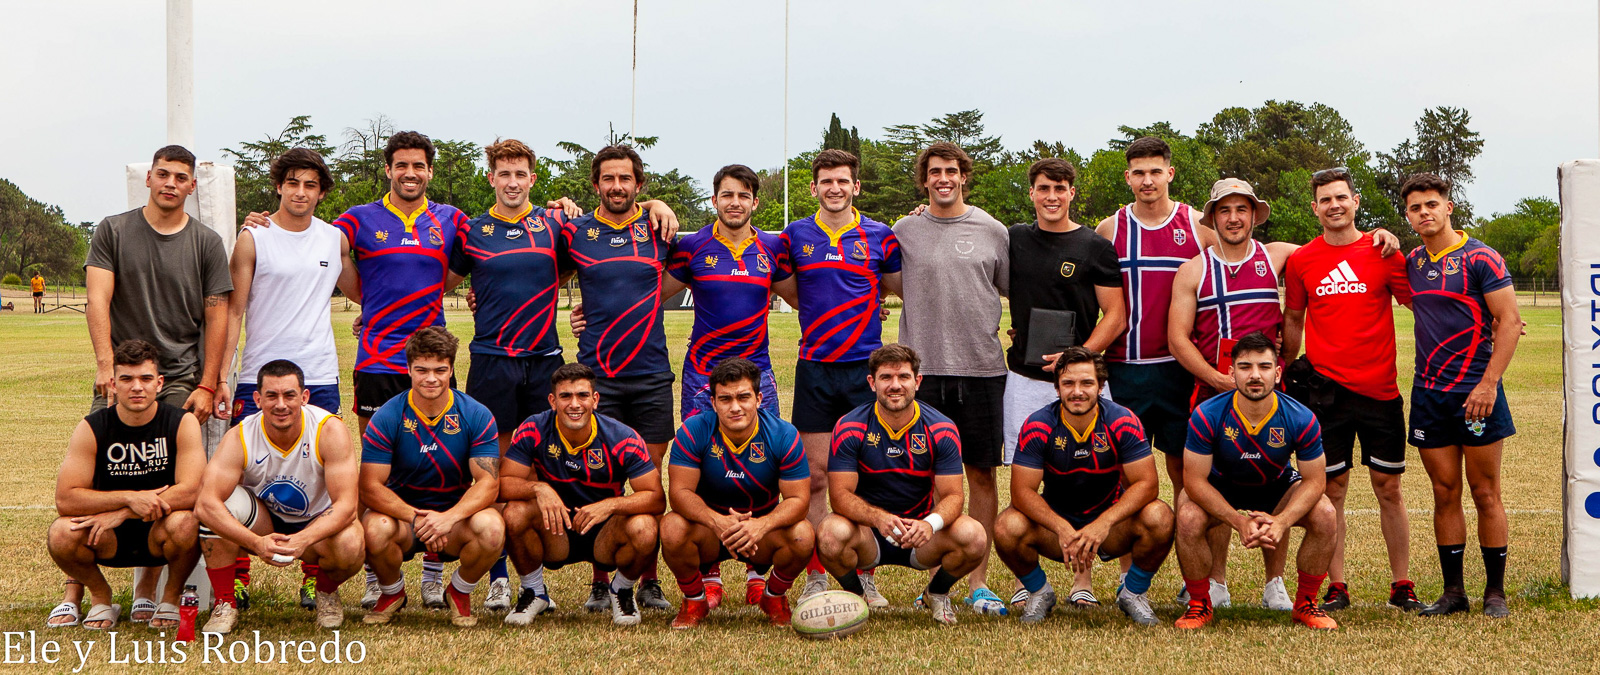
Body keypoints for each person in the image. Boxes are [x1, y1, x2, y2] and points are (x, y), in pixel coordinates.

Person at [65, 144, 230, 627]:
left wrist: (207, 382)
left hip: (177, 375)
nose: (171, 183)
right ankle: (77, 594)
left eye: (181, 177)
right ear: (149, 179)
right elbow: (98, 299)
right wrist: (105, 365)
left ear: (192, 187)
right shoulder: (113, 229)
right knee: (97, 477)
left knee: (163, 472)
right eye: (163, 174)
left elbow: (217, 314)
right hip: (123, 370)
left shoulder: (205, 242)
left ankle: (148, 588)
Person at [216, 148, 357, 611]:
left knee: (318, 479)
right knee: (243, 481)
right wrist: (222, 375)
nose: (301, 192)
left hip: (317, 374)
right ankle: (236, 582)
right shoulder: (254, 237)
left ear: (321, 192)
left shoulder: (334, 239)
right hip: (259, 374)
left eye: (311, 185)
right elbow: (234, 309)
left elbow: (365, 291)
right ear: (278, 185)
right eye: (292, 182)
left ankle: (315, 580)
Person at [1281, 167, 1420, 612]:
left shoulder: (1383, 252)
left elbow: (1422, 303)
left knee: (1389, 488)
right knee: (1331, 490)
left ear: (1355, 201)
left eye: (1341, 197)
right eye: (1325, 199)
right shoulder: (1303, 260)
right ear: (1315, 207)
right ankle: (1336, 585)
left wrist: (1485, 324)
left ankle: (1402, 584)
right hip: (1327, 395)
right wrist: (1284, 367)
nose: (1334, 205)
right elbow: (1294, 320)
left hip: (1380, 390)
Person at [777, 149, 903, 605]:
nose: (834, 188)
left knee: (860, 478)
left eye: (842, 181)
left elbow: (898, 286)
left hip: (864, 370)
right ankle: (815, 574)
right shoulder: (794, 236)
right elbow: (791, 293)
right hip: (815, 368)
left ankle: (863, 572)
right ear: (813, 188)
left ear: (856, 187)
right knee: (813, 476)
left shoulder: (880, 236)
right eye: (826, 181)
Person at [661, 164, 791, 605]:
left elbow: (808, 295)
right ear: (714, 200)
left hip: (758, 374)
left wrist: (870, 308)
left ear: (756, 202)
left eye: (743, 195)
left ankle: (757, 567)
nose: (735, 202)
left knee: (764, 467)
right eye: (726, 194)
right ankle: (710, 569)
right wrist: (588, 311)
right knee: (703, 468)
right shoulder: (693, 246)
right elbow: (650, 295)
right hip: (703, 374)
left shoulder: (773, 247)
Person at [892, 142, 1010, 614]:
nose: (944, 178)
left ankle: (977, 580)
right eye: (935, 171)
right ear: (924, 179)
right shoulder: (904, 230)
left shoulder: (992, 230)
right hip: (923, 373)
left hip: (981, 368)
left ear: (965, 176)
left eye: (952, 171)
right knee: (919, 475)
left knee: (980, 472)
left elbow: (1008, 290)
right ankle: (921, 570)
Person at [1167, 178, 1297, 610]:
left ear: (1254, 215)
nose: (1234, 218)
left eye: (1242, 209)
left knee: (1276, 480)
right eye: (1225, 210)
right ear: (1213, 218)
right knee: (1213, 484)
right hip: (1214, 391)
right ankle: (1217, 582)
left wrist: (1379, 237)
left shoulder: (1276, 255)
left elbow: (1333, 252)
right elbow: (1178, 338)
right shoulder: (1195, 268)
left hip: (1268, 390)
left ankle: (1274, 581)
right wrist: (1217, 379)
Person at [560, 144, 678, 611]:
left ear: (638, 184)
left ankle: (645, 579)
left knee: (648, 482)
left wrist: (658, 205)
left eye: (625, 179)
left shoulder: (658, 228)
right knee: (599, 483)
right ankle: (598, 579)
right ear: (596, 185)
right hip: (597, 378)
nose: (616, 186)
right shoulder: (575, 232)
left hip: (650, 374)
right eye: (607, 179)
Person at [1004, 157, 1125, 609]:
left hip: (1081, 381)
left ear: (1072, 192)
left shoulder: (1094, 246)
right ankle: (1026, 578)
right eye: (1042, 188)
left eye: (1060, 188)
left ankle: (1083, 581)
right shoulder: (1013, 237)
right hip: (1025, 377)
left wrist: (1081, 359)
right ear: (1031, 192)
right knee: (1025, 476)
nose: (1051, 196)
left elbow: (1116, 313)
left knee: (1090, 477)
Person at [1400, 173, 1521, 619]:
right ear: (1408, 216)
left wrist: (1488, 384)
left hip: (1478, 393)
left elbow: (1508, 321)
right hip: (1430, 392)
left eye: (1431, 204)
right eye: (1415, 208)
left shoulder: (1481, 257)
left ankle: (1495, 592)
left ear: (1449, 207)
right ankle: (1454, 593)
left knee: (1485, 491)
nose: (1424, 213)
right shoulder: (1411, 260)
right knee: (1444, 491)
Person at [1173, 332, 1338, 630]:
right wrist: (1237, 520)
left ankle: (1305, 604)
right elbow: (1194, 481)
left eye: (1263, 367)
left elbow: (1315, 481)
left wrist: (1283, 521)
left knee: (1325, 513)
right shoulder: (1207, 414)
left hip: (1277, 487)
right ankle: (1199, 604)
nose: (1254, 375)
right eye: (1245, 367)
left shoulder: (1300, 417)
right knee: (1187, 515)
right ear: (1231, 371)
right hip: (1222, 486)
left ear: (1277, 373)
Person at [996, 347, 1173, 626]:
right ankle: (1039, 592)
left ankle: (1133, 593)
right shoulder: (1038, 424)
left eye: (1086, 383)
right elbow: (1021, 492)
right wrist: (1061, 527)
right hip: (1057, 529)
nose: (1077, 391)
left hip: (1110, 529)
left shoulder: (1122, 420)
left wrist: (1104, 523)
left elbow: (1148, 484)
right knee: (1007, 526)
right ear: (1057, 388)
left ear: (1101, 386)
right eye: (1068, 383)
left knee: (1160, 516)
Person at [815, 344, 986, 625]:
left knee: (974, 536)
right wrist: (877, 518)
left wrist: (930, 523)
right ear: (872, 383)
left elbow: (954, 496)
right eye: (886, 378)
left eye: (903, 377)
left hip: (921, 536)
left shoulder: (941, 428)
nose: (895, 386)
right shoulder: (850, 426)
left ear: (917, 382)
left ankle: (937, 593)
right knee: (829, 534)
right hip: (869, 535)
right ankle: (857, 598)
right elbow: (840, 496)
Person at [195, 360, 363, 633]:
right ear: (258, 399)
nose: (281, 404)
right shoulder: (241, 435)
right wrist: (255, 542)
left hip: (315, 525)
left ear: (305, 397)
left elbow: (346, 507)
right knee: (219, 506)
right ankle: (225, 603)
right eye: (271, 396)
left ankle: (326, 591)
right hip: (264, 522)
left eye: (289, 395)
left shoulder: (329, 430)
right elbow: (205, 503)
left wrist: (302, 540)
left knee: (351, 542)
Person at [45, 340, 204, 630]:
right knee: (61, 533)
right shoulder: (92, 427)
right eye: (127, 379)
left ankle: (169, 597)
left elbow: (193, 490)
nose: (137, 387)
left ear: (159, 382)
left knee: (187, 523)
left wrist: (126, 511)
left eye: (145, 378)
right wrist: (130, 497)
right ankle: (100, 596)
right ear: (113, 383)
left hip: (160, 530)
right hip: (104, 535)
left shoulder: (182, 422)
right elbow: (66, 499)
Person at [499, 363, 665, 627]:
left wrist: (610, 505)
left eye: (582, 396)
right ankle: (534, 591)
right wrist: (538, 488)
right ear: (553, 401)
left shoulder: (622, 437)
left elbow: (656, 498)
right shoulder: (534, 428)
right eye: (565, 396)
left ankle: (621, 591)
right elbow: (503, 484)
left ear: (595, 400)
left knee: (645, 525)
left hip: (605, 534)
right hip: (556, 529)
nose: (574, 404)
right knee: (514, 512)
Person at [358, 327, 504, 627]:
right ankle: (391, 592)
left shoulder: (475, 414)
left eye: (440, 370)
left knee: (492, 528)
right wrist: (417, 518)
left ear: (452, 369)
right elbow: (370, 487)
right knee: (373, 529)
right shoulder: (388, 416)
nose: (431, 378)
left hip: (455, 520)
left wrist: (448, 518)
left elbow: (489, 484)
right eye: (421, 370)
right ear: (409, 369)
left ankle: (459, 591)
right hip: (403, 519)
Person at [1095, 137, 1212, 492]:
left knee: (1185, 471)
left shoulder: (1196, 224)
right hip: (1126, 370)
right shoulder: (1109, 229)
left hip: (1181, 369)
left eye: (1155, 172)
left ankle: (1187, 543)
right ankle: (1135, 547)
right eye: (1139, 173)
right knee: (1128, 474)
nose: (1148, 180)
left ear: (1170, 174)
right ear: (1128, 177)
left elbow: (1239, 264)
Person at [662, 358, 812, 628]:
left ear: (759, 398)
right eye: (725, 399)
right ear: (713, 402)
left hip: (761, 535)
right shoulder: (694, 430)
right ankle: (694, 601)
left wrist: (761, 525)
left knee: (803, 534)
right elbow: (680, 493)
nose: (735, 407)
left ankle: (774, 597)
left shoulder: (783, 434)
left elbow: (799, 500)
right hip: (710, 530)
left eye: (743, 397)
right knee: (672, 527)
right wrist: (717, 521)